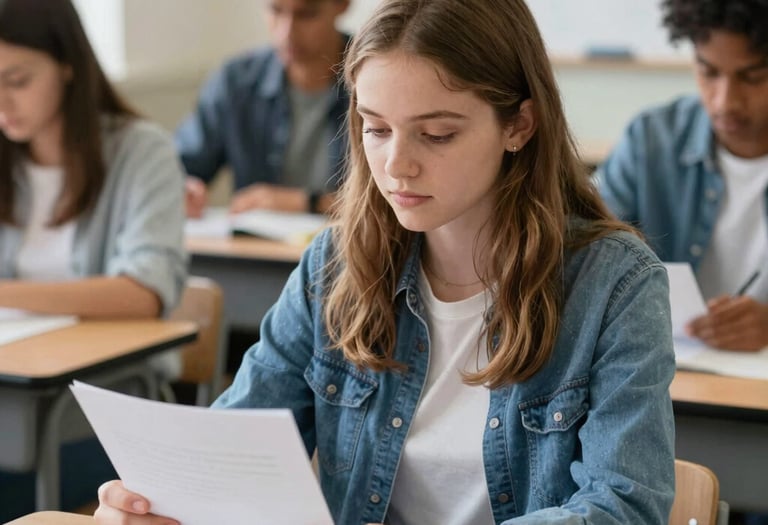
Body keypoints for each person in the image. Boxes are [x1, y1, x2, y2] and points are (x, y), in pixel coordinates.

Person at [94, 0, 676, 523]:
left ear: (518, 125)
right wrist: (155, 498)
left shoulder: (616, 284)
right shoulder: (333, 265)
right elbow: (229, 448)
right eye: (375, 128)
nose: (397, 165)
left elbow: (624, 504)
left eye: (438, 135)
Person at [0, 0, 186, 519]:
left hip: (105, 413)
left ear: (67, 65)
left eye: (16, 79)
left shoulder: (140, 151)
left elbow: (141, 293)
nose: (2, 100)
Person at [596, 0, 768, 352]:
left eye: (753, 77)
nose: (724, 102)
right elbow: (577, 242)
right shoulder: (651, 139)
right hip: (667, 375)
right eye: (708, 72)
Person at [179, 0, 351, 218]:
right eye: (275, 11)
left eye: (306, 15)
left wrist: (307, 202)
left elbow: (392, 205)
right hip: (257, 249)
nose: (287, 33)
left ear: (343, 5)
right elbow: (183, 167)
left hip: (353, 247)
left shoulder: (378, 78)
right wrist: (184, 189)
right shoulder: (236, 82)